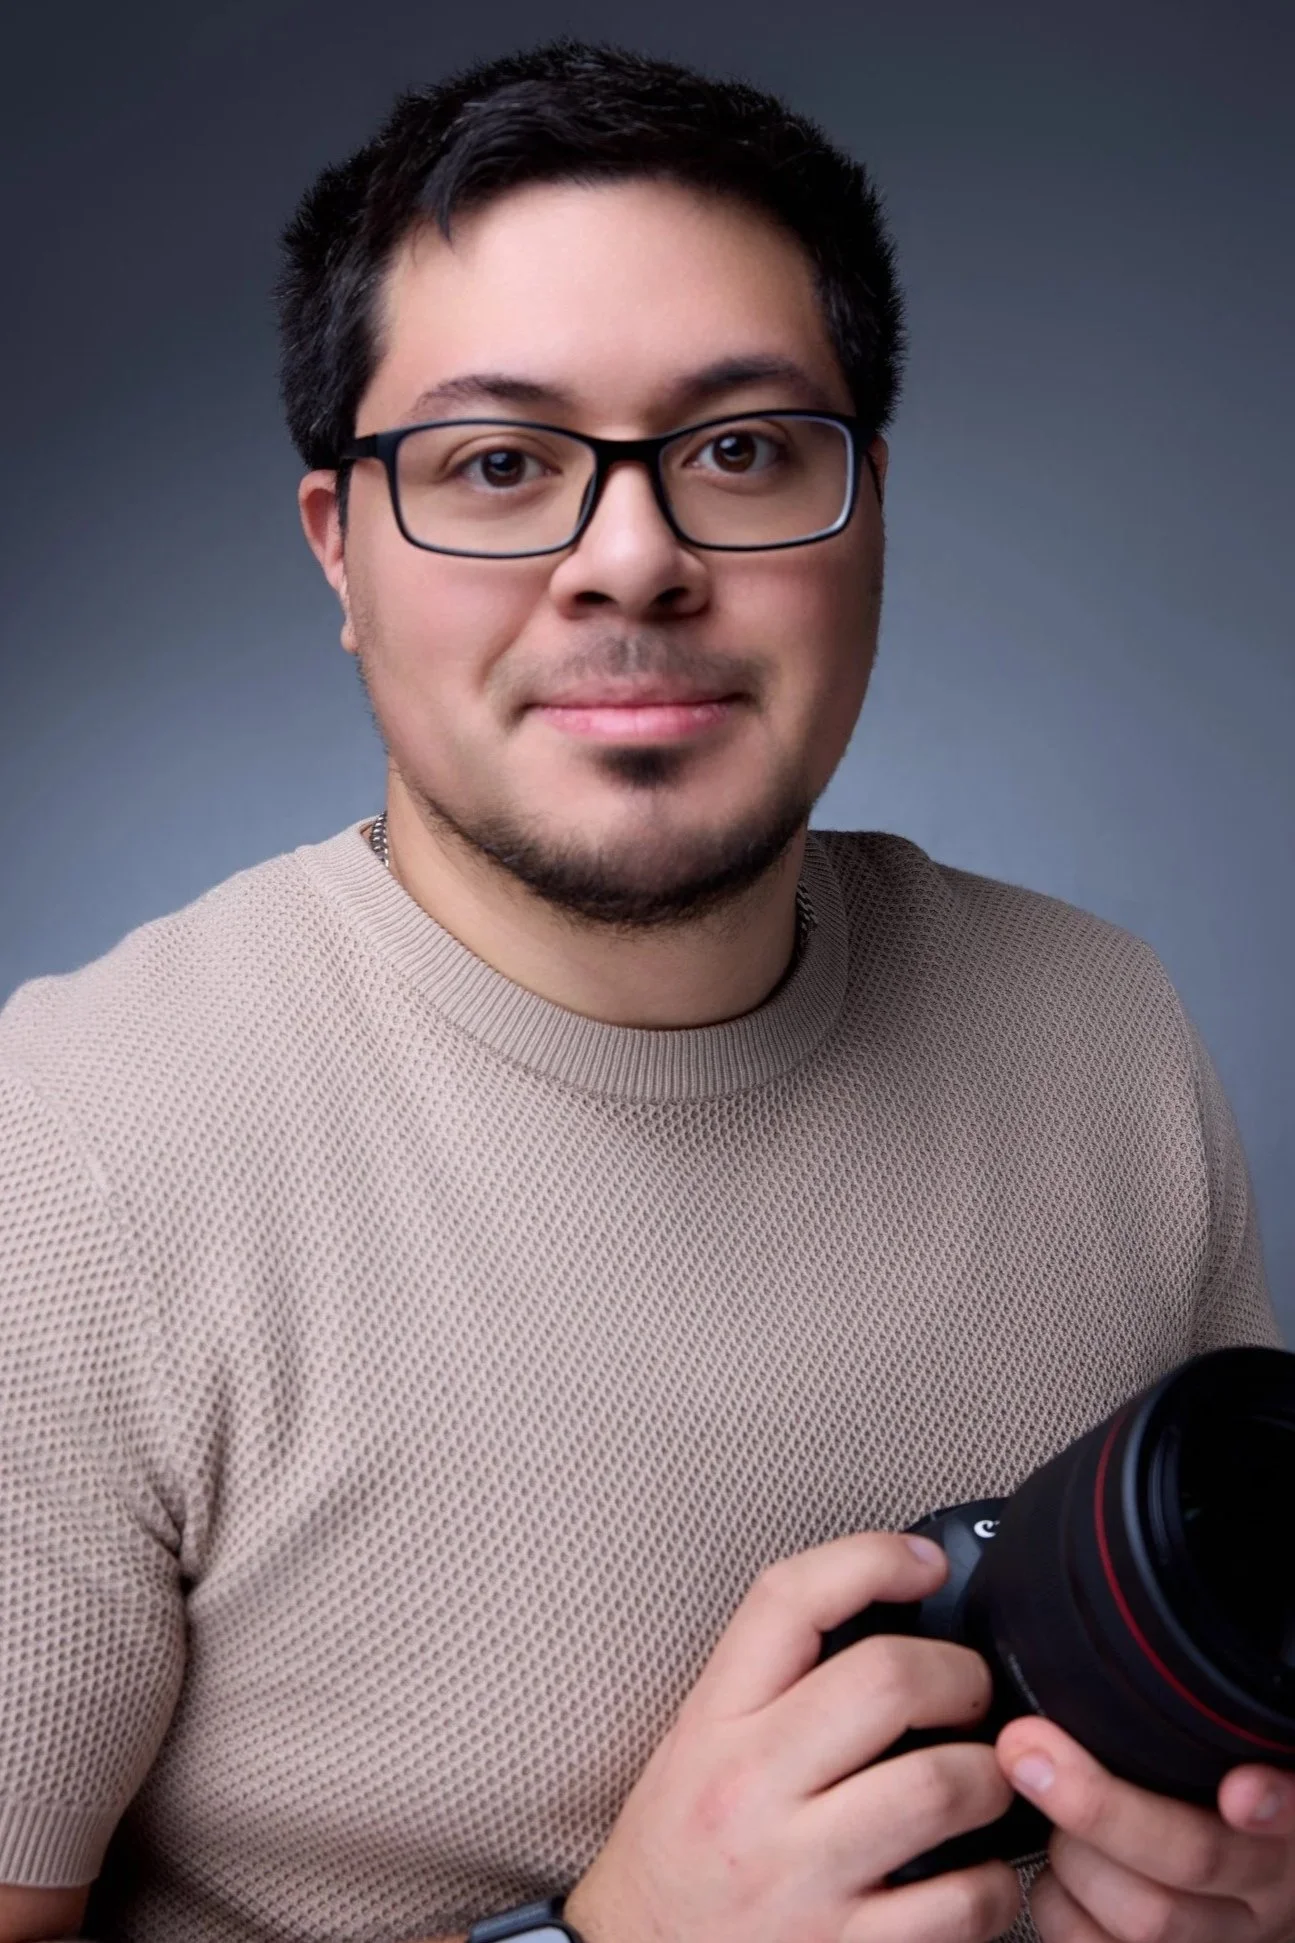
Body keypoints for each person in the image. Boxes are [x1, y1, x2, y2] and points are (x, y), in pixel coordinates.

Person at [0, 34, 1288, 1943]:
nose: (634, 560)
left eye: (743, 449)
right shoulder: (72, 1165)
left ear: (869, 518)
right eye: (500, 464)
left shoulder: (1104, 1029)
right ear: (339, 548)